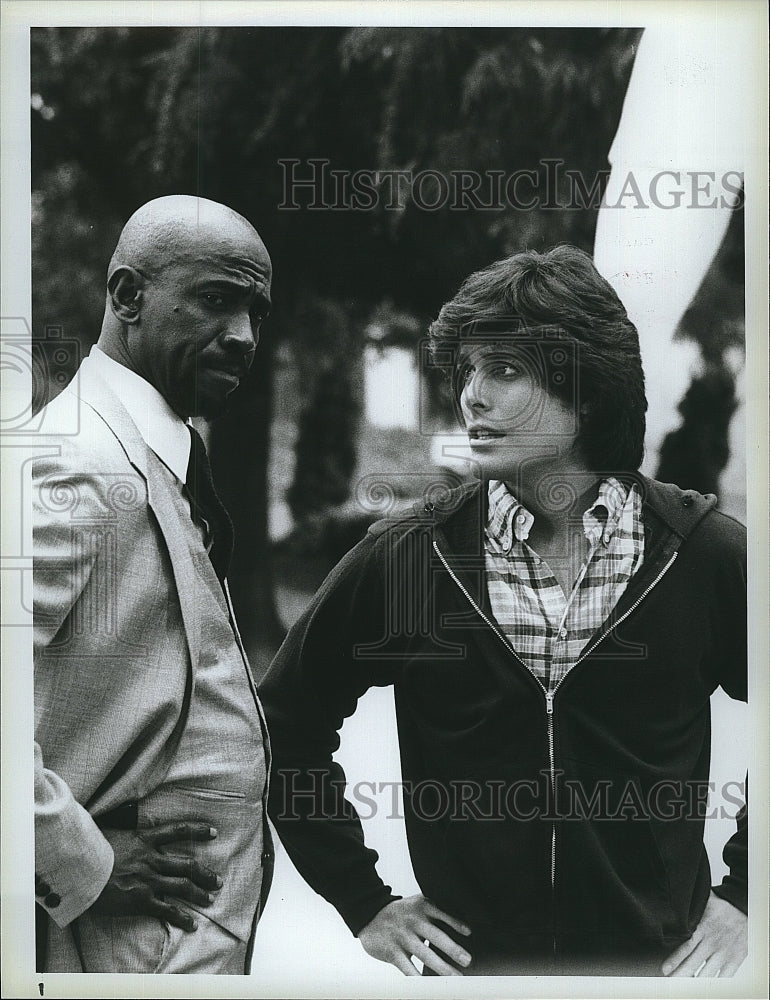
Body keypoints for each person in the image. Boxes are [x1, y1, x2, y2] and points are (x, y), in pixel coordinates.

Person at [260, 245, 748, 977]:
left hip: (655, 976)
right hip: (476, 978)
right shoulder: (412, 558)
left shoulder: (701, 554)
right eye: (468, 371)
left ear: (586, 392)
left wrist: (746, 891)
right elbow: (283, 726)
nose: (470, 397)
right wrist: (364, 901)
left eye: (505, 371)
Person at [33, 195, 274, 974]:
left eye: (256, 312)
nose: (242, 337)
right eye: (215, 300)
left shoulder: (157, 453)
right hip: (112, 954)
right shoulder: (77, 465)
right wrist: (83, 866)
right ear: (129, 296)